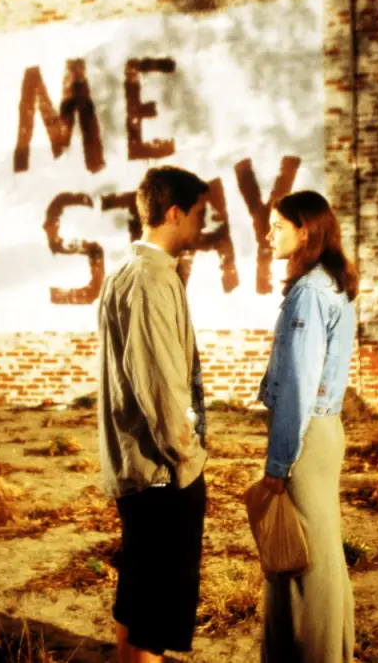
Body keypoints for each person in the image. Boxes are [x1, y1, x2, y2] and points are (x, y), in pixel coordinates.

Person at [97, 165, 210, 663]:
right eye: (198, 216)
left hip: (143, 470)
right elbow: (160, 386)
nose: (201, 227)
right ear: (174, 213)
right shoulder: (147, 279)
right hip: (162, 475)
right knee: (154, 617)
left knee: (140, 604)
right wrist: (189, 457)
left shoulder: (134, 272)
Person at [258, 190, 358, 663]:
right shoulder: (327, 283)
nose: (268, 234)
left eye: (277, 225)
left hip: (304, 438)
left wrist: (278, 463)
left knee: (305, 565)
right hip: (322, 431)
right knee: (317, 556)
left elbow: (298, 387)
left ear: (305, 231)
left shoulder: (310, 293)